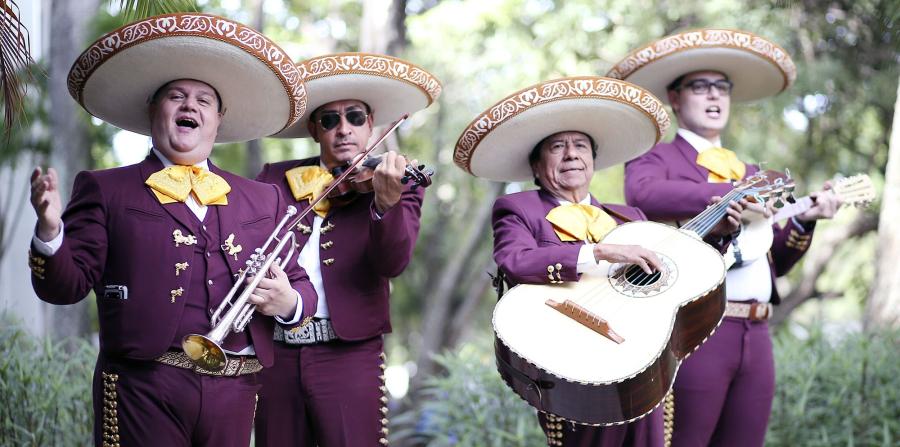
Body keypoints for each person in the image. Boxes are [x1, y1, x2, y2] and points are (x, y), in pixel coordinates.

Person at [27, 13, 317, 447]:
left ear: (218, 119)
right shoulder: (106, 188)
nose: (190, 106)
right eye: (176, 96)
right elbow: (64, 287)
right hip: (143, 387)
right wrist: (50, 232)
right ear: (152, 111)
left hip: (235, 389)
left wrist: (288, 301)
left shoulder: (263, 198)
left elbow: (302, 290)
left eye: (204, 101)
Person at [452, 76, 742, 447]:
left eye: (581, 146)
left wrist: (719, 234)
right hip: (572, 358)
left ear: (593, 161)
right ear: (538, 167)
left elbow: (677, 275)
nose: (572, 154)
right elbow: (514, 260)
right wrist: (597, 253)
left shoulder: (630, 216)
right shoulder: (519, 208)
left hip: (637, 356)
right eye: (558, 147)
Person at [609, 28, 842, 446]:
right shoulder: (657, 156)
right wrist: (726, 197)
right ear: (676, 98)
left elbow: (774, 262)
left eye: (722, 88)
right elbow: (643, 194)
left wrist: (806, 220)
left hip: (758, 331)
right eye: (700, 87)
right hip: (699, 329)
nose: (715, 96)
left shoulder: (753, 172)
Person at [253, 52, 441, 447]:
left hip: (348, 351)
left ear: (371, 125)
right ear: (314, 129)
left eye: (355, 117)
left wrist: (385, 206)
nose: (343, 129)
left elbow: (393, 263)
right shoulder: (274, 179)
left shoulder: (399, 182)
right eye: (330, 120)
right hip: (277, 351)